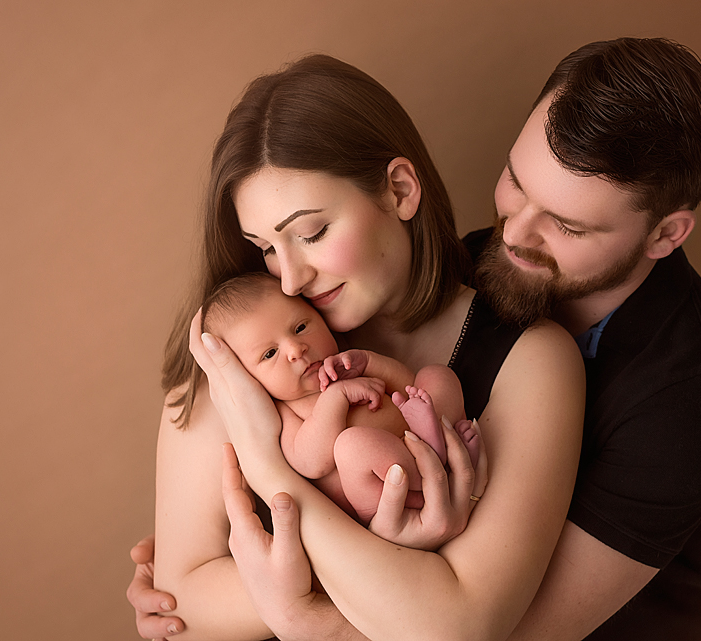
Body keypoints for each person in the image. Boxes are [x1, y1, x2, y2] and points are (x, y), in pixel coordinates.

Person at [130, 37, 701, 640]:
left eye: (566, 225)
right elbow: (181, 608)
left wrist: (298, 603)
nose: (513, 235)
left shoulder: (692, 389)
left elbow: (469, 629)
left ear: (663, 235)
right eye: (515, 184)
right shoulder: (268, 332)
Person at [133, 53, 584, 641]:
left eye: (312, 233)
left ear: (399, 190)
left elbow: (457, 625)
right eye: (266, 247)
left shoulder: (533, 361)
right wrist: (389, 580)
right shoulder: (240, 354)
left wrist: (272, 479)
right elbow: (180, 607)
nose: (289, 280)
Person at [200, 271, 479, 523]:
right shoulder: (285, 409)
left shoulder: (343, 363)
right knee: (351, 446)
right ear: (248, 378)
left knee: (435, 375)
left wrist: (370, 363)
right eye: (269, 354)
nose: (296, 349)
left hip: (416, 434)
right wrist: (336, 398)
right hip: (383, 496)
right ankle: (432, 478)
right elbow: (311, 462)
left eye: (300, 328)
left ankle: (445, 443)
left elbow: (406, 388)